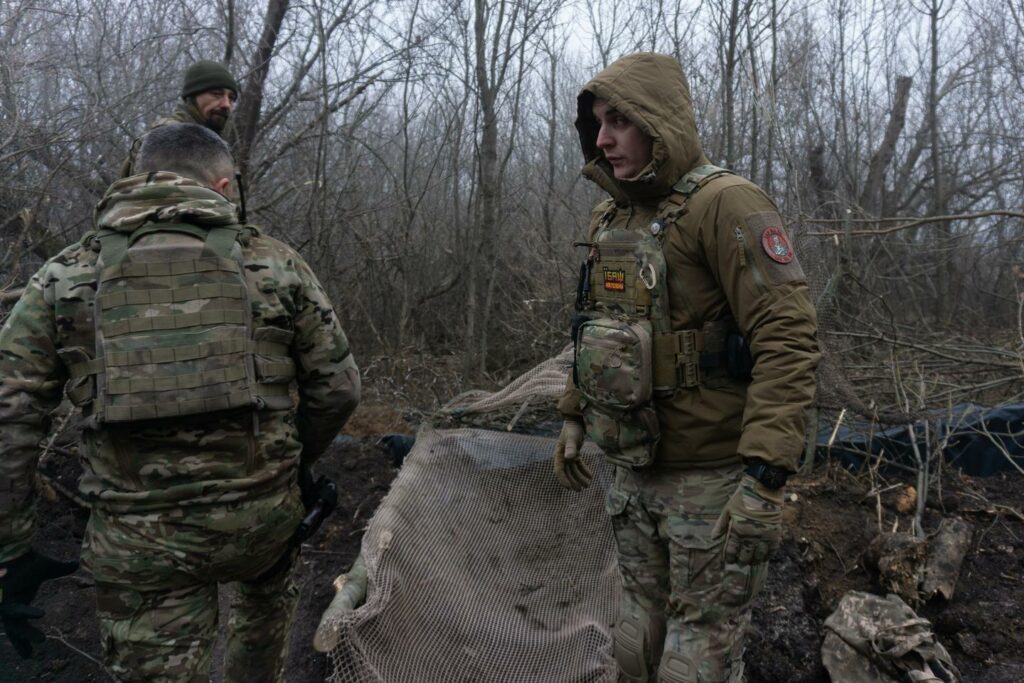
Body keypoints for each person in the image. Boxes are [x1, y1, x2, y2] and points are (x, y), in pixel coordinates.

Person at [0, 123, 360, 682]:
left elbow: (10, 415)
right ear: (221, 186)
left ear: (137, 179)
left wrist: (13, 545)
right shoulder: (275, 263)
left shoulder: (65, 275)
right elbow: (338, 389)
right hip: (260, 521)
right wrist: (295, 465)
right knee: (261, 618)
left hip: (137, 543)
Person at [553, 53, 819, 682]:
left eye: (620, 120)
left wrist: (766, 477)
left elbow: (789, 337)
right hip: (631, 470)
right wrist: (573, 416)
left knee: (694, 659)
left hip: (712, 480)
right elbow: (597, 332)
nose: (604, 137)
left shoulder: (727, 205)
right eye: (597, 121)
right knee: (634, 638)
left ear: (660, 122)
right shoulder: (611, 215)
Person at [120, 60, 239, 177]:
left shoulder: (212, 143)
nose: (226, 104)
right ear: (192, 96)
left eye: (231, 98)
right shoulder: (170, 141)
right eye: (216, 94)